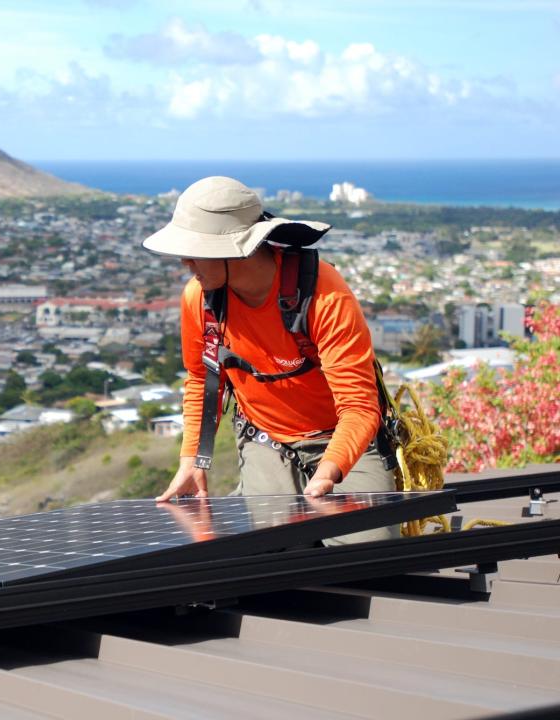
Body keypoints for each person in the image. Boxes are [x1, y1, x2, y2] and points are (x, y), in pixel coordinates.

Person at [142, 176, 399, 544]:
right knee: (271, 550)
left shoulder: (322, 295)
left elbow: (359, 405)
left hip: (341, 439)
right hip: (266, 438)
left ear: (235, 250)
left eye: (194, 252)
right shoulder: (199, 299)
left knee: (365, 547)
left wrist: (329, 470)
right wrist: (192, 461)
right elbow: (201, 380)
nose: (185, 262)